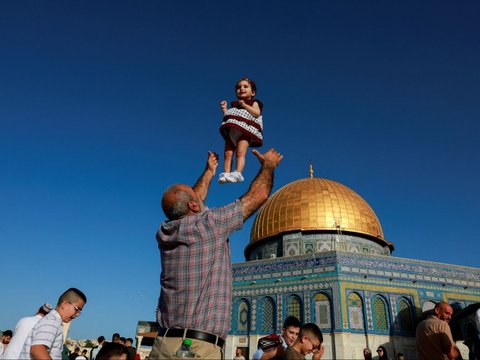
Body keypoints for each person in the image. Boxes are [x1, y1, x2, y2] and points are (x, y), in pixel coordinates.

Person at [149, 148, 283, 360]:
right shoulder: (210, 225)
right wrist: (269, 165)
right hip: (197, 350)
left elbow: (191, 202)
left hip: (163, 345)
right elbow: (259, 195)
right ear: (194, 205)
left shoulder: (165, 233)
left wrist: (209, 172)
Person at [20, 287, 87, 360]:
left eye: (79, 312)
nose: (77, 314)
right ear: (64, 304)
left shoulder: (52, 320)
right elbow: (37, 350)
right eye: (77, 309)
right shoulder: (52, 321)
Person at [219, 77, 264, 183]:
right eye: (239, 87)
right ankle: (226, 173)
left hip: (246, 131)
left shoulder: (254, 103)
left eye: (245, 86)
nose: (241, 89)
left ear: (252, 92)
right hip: (233, 131)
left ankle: (238, 173)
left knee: (240, 152)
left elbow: (256, 113)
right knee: (227, 153)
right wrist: (224, 109)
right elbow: (230, 117)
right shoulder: (235, 106)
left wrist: (245, 105)